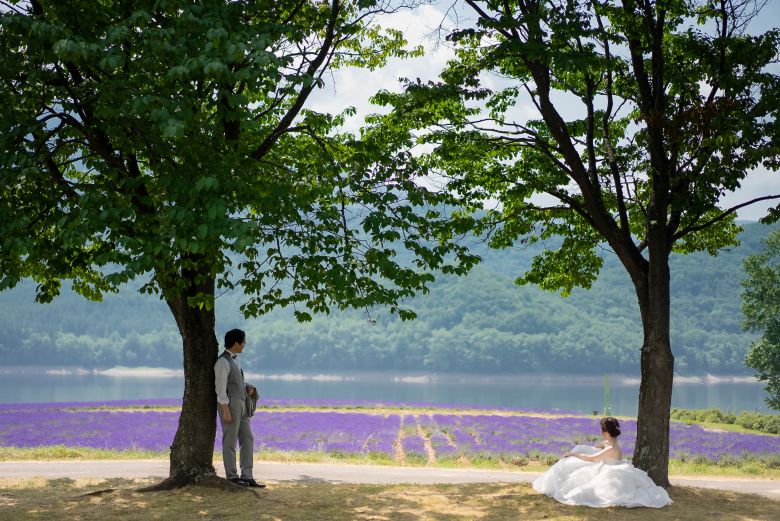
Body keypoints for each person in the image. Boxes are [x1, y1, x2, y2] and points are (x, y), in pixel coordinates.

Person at [532, 417, 671, 508]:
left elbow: (592, 458)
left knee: (577, 478)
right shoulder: (608, 443)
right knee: (574, 457)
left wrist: (573, 454)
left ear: (605, 432)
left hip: (610, 470)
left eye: (602, 429)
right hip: (605, 465)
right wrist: (578, 450)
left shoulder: (611, 447)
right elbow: (593, 449)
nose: (600, 431)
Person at [214, 328, 264, 488]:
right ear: (236, 343)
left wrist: (247, 389)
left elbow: (235, 383)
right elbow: (220, 389)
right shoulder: (222, 362)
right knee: (229, 441)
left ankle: (247, 476)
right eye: (243, 342)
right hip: (230, 406)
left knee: (248, 438)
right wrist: (226, 410)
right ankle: (232, 476)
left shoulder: (234, 360)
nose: (244, 345)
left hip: (241, 405)